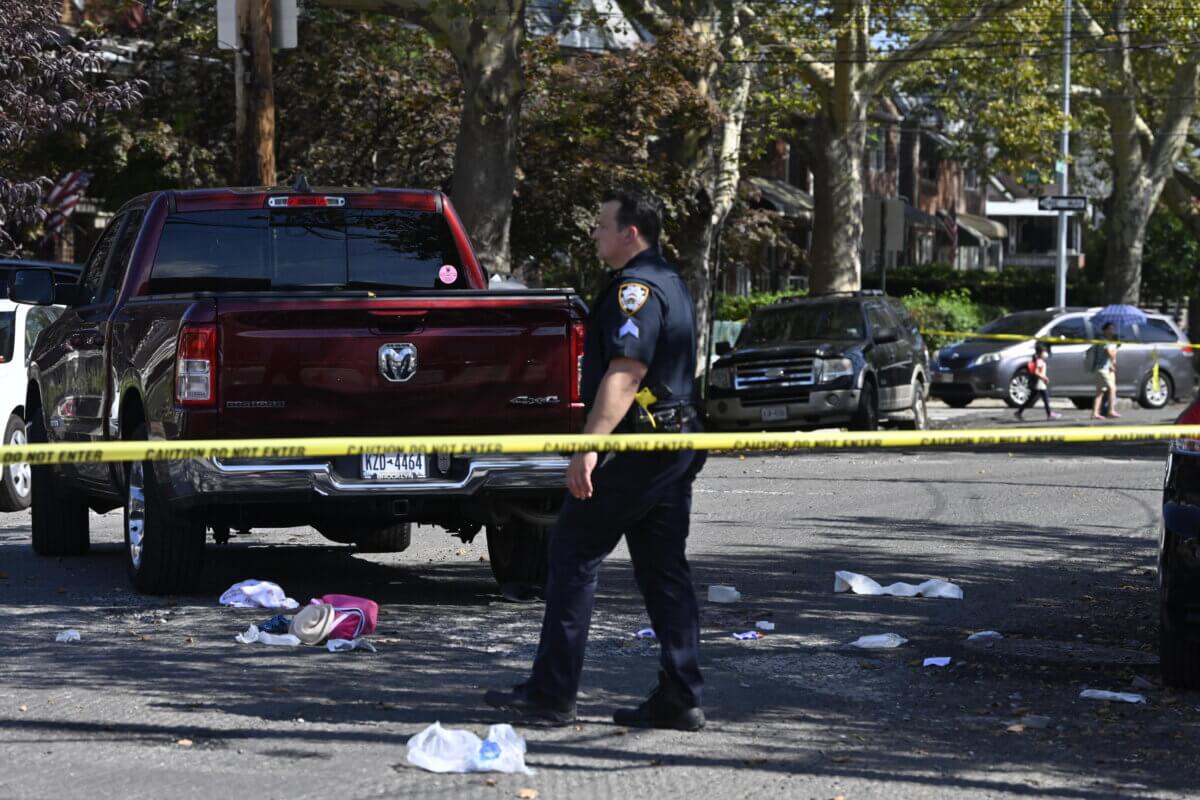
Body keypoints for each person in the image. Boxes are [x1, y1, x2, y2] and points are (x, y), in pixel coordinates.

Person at [484, 189, 707, 731]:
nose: (594, 234)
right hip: (672, 446)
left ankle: (551, 695)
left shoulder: (635, 291)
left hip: (638, 450)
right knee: (662, 570)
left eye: (602, 225)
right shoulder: (671, 282)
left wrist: (589, 446)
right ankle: (680, 695)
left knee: (572, 552)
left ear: (630, 233)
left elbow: (626, 375)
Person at [1015, 342, 1061, 420]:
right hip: (1040, 384)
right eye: (1044, 352)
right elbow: (1036, 372)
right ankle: (1049, 414)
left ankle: (1019, 412)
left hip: (1039, 383)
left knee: (1030, 400)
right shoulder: (1039, 361)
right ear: (1040, 353)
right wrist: (1044, 378)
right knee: (1045, 399)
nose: (1046, 353)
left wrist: (1043, 378)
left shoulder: (1039, 360)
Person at [1090, 322, 1121, 420]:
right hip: (1101, 369)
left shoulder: (1107, 341)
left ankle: (1095, 413)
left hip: (1103, 368)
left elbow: (1110, 358)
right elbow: (1110, 354)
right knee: (1112, 388)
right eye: (1110, 329)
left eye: (1113, 329)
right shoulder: (1103, 341)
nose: (1112, 331)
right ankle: (1111, 410)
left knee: (1100, 392)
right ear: (1105, 330)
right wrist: (1116, 348)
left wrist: (1112, 364)